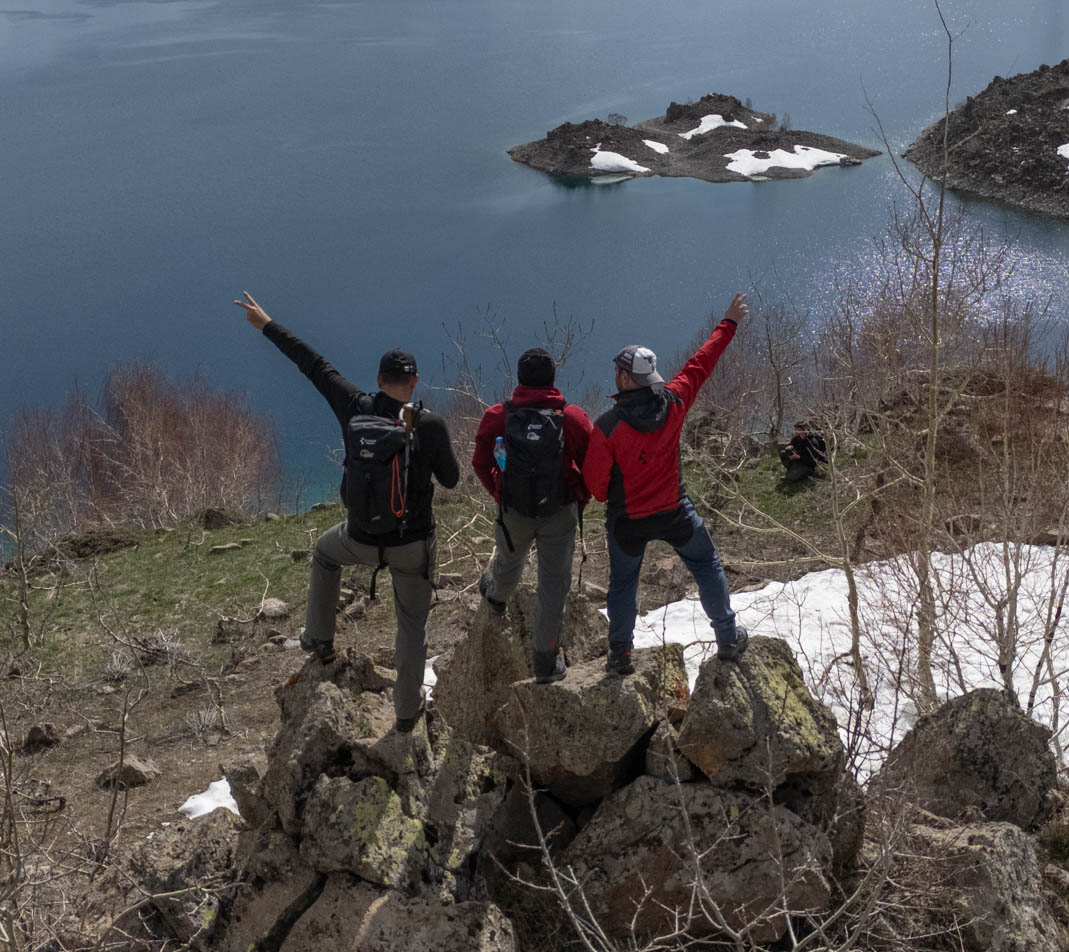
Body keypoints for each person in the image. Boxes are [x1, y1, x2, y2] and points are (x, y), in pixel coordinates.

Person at [234, 292, 459, 732]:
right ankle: (407, 716)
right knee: (411, 627)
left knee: (323, 553)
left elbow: (315, 365)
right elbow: (450, 481)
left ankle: (319, 640)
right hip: (412, 546)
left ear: (378, 378)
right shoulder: (428, 424)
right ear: (414, 383)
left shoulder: (356, 406)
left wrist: (268, 324)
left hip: (358, 538)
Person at [583, 294, 751, 676]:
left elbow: (595, 487)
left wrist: (615, 493)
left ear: (626, 378)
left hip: (627, 520)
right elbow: (702, 362)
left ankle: (621, 655)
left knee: (624, 583)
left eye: (617, 370)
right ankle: (727, 637)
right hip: (674, 511)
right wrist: (729, 322)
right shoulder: (675, 401)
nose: (615, 375)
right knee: (706, 564)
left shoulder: (607, 427)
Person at [472, 347, 592, 683]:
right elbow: (594, 466)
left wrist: (500, 492)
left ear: (520, 380)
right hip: (559, 513)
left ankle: (496, 597)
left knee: (509, 563)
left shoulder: (499, 415)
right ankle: (544, 661)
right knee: (553, 587)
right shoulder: (573, 418)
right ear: (553, 379)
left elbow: (481, 463)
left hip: (514, 511)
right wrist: (580, 497)